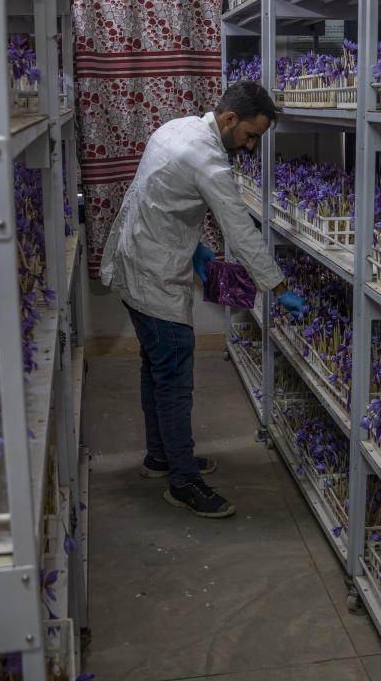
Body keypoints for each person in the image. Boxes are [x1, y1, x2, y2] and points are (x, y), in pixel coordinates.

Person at [100, 80, 306, 519]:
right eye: (251, 135)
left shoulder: (176, 129)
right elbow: (241, 233)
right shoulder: (208, 160)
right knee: (174, 379)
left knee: (156, 369)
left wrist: (194, 247)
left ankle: (162, 457)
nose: (251, 147)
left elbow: (156, 195)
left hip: (137, 260)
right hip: (153, 275)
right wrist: (280, 289)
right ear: (229, 119)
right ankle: (183, 481)